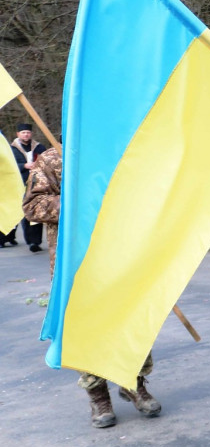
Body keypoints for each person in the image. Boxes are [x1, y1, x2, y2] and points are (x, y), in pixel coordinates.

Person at [22, 148, 160, 427]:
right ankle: (99, 397)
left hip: (121, 257)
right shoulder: (53, 159)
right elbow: (32, 206)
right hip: (76, 265)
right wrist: (76, 203)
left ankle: (133, 384)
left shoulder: (118, 148)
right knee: (86, 331)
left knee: (131, 324)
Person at [10, 124, 45, 251]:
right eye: (23, 132)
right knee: (26, 213)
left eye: (28, 132)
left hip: (38, 183)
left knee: (37, 212)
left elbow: (47, 161)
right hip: (20, 184)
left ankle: (36, 241)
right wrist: (24, 166)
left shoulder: (39, 147)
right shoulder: (11, 149)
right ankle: (29, 240)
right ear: (18, 134)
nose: (26, 135)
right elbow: (8, 167)